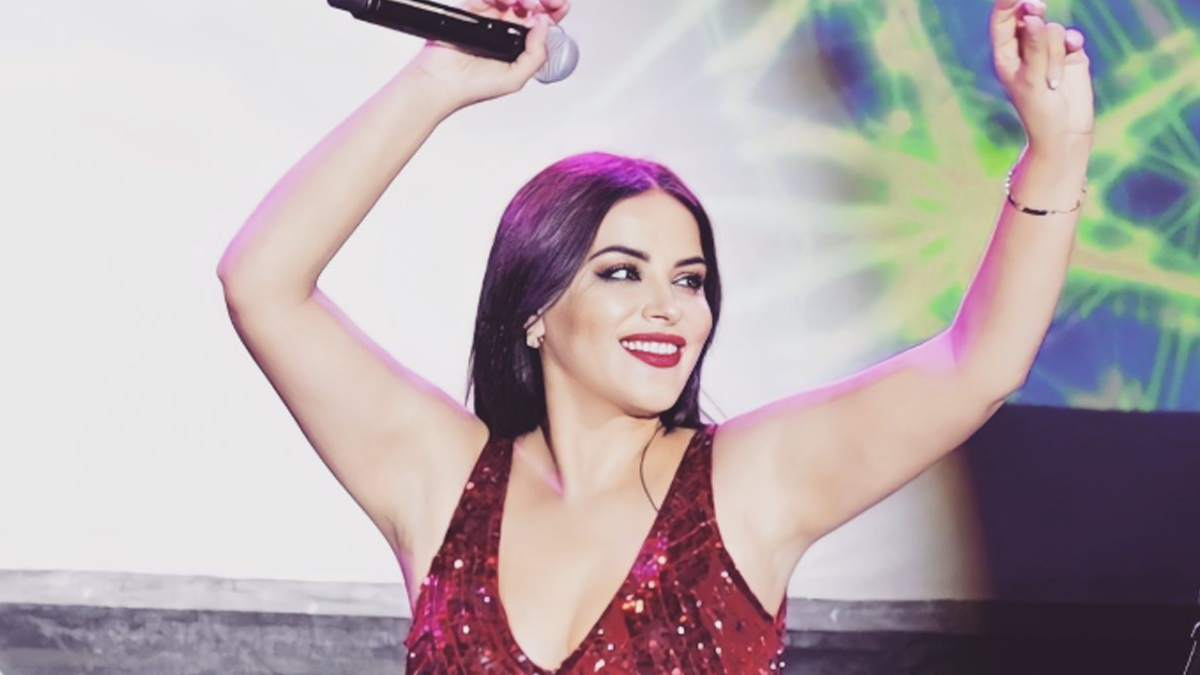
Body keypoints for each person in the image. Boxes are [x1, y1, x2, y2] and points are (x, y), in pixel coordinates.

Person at [217, 0, 1093, 671]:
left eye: (690, 279)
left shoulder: (746, 485)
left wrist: (1054, 152)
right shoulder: (444, 482)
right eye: (621, 273)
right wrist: (435, 81)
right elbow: (261, 283)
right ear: (534, 306)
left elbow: (976, 365)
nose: (669, 306)